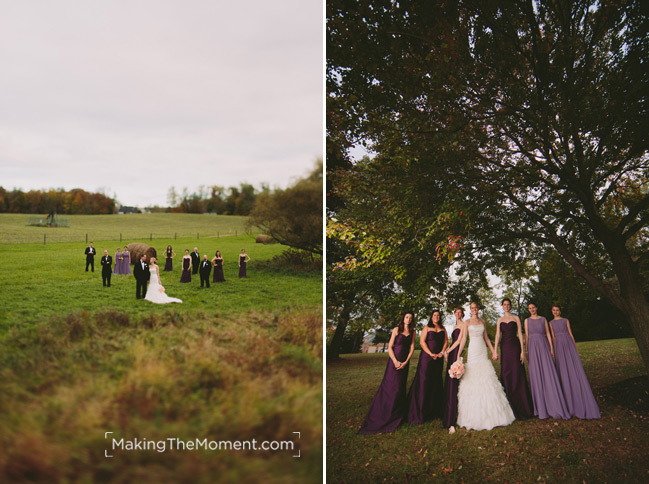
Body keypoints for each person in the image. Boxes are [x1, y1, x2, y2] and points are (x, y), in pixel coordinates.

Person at [456, 302, 515, 431]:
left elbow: (486, 338)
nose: (474, 309)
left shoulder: (482, 322)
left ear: (478, 309)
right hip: (473, 350)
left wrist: (493, 351)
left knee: (486, 374)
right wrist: (458, 354)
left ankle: (494, 412)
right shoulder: (466, 323)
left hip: (482, 350)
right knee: (473, 376)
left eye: (476, 308)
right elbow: (464, 339)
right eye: (472, 308)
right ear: (470, 310)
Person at [359, 312, 415, 434]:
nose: (408, 319)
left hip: (404, 362)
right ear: (403, 318)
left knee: (400, 387)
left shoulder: (413, 331)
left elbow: (412, 347)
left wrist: (405, 362)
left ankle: (396, 414)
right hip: (394, 361)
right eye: (407, 317)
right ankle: (384, 412)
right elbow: (390, 346)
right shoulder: (396, 329)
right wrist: (395, 361)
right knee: (390, 386)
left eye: (411, 318)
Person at [549, 305, 600, 419]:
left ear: (560, 311)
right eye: (553, 310)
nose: (555, 312)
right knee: (561, 368)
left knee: (573, 366)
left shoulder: (565, 320)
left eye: (557, 310)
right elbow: (552, 337)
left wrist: (574, 346)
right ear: (552, 312)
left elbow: (570, 333)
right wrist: (553, 349)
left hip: (567, 343)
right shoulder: (550, 323)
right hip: (558, 345)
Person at [525, 302, 570, 419]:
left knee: (548, 372)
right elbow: (526, 336)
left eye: (533, 307)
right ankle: (541, 407)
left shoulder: (543, 319)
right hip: (533, 347)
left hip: (543, 345)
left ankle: (554, 403)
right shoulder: (526, 321)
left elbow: (548, 334)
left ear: (537, 308)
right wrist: (526, 351)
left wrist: (551, 348)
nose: (532, 309)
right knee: (536, 374)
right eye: (530, 308)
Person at [492, 298, 534, 420]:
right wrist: (495, 350)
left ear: (510, 306)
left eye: (508, 305)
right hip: (505, 348)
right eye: (504, 305)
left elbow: (520, 334)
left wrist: (522, 351)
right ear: (502, 306)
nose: (506, 306)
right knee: (506, 373)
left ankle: (523, 404)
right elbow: (497, 335)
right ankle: (509, 406)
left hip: (515, 347)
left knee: (517, 373)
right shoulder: (499, 320)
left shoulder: (516, 318)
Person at [407, 310, 447, 425]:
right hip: (427, 358)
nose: (436, 317)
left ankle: (434, 410)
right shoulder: (426, 327)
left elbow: (445, 342)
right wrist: (430, 354)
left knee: (436, 382)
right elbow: (422, 342)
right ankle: (420, 411)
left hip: (438, 359)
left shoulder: (443, 329)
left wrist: (441, 352)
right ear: (431, 317)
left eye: (438, 315)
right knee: (424, 381)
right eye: (434, 315)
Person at [443, 307, 467, 433]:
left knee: (455, 384)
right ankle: (447, 410)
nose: (458, 314)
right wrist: (447, 351)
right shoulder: (453, 326)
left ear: (462, 314)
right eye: (456, 312)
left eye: (460, 312)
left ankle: (454, 416)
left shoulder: (464, 324)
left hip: (456, 353)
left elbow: (458, 341)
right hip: (451, 353)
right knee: (450, 382)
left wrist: (449, 351)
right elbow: (452, 340)